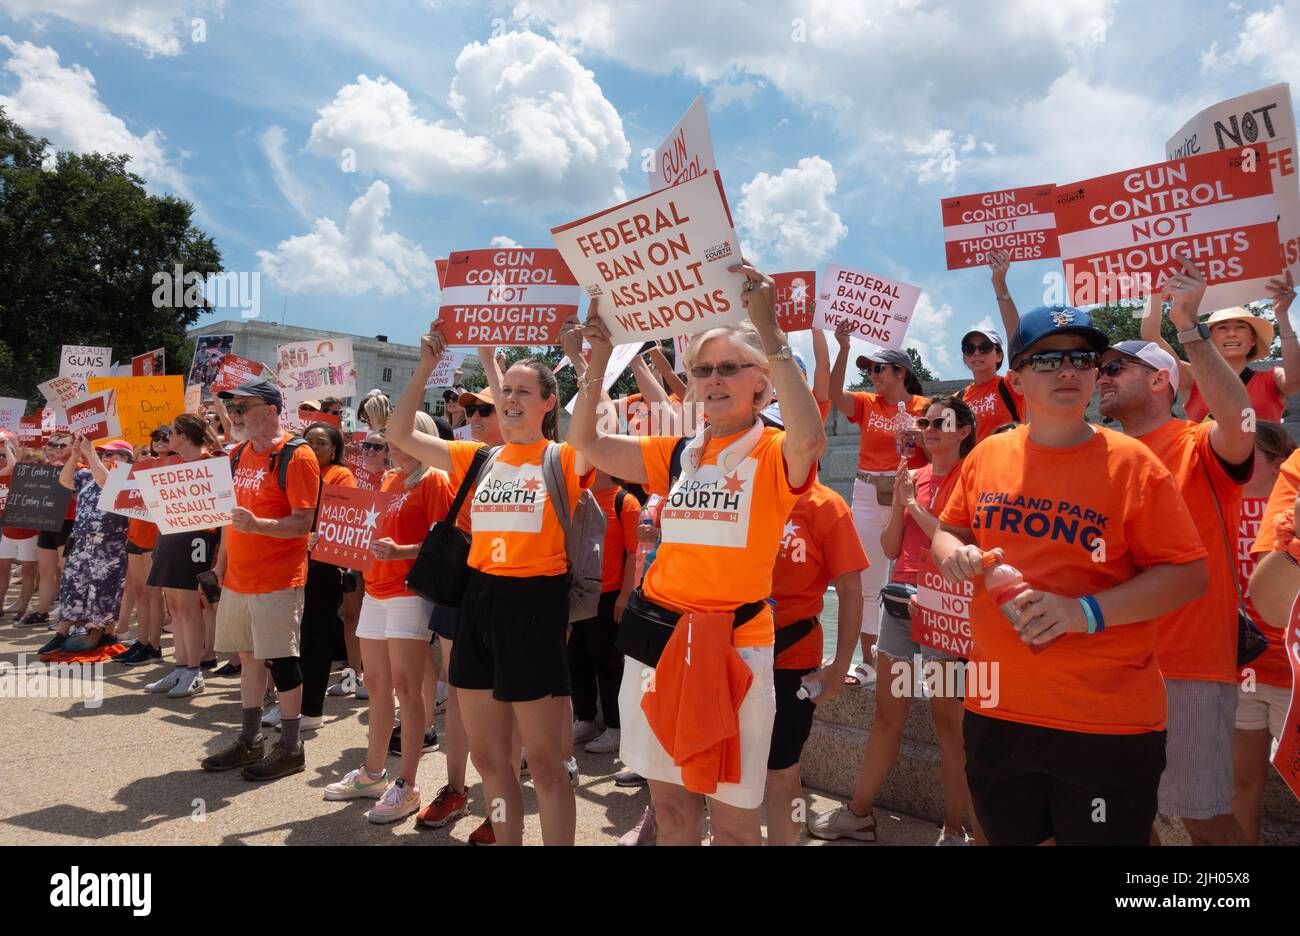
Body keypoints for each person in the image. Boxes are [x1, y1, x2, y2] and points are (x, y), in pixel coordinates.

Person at [567, 260, 827, 846]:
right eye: (703, 369)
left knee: (734, 822)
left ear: (760, 381)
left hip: (734, 645)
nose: (713, 379)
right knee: (673, 808)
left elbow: (812, 438)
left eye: (729, 368)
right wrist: (596, 364)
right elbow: (586, 442)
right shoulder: (679, 450)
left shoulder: (775, 450)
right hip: (659, 638)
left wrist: (769, 326)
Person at [931, 303, 1209, 846]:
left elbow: (1187, 576)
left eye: (1084, 359)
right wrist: (951, 555)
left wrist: (1084, 613)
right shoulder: (987, 454)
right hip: (996, 709)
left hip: (1104, 721)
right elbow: (950, 530)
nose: (1069, 370)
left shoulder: (1134, 464)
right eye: (1048, 359)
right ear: (1016, 379)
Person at [387, 332, 593, 847]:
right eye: (507, 391)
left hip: (534, 606)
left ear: (549, 403)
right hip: (478, 602)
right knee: (487, 760)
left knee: (543, 764)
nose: (510, 399)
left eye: (525, 392)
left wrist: (589, 360)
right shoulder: (479, 458)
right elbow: (400, 432)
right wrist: (425, 364)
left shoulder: (564, 459)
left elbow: (596, 428)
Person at [1096, 262, 1255, 846]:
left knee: (1206, 822)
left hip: (1186, 666)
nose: (1101, 377)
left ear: (1161, 380)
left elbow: (1240, 422)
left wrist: (1189, 328)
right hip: (1112, 666)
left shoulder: (1196, 444)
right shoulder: (1098, 456)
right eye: (1099, 369)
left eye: (1116, 367)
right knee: (1127, 820)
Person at [811, 396, 978, 846]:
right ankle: (859, 814)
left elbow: (961, 540)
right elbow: (888, 549)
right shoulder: (915, 477)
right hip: (902, 605)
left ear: (964, 430)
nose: (930, 428)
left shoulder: (974, 477)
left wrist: (913, 504)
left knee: (949, 722)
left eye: (941, 421)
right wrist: (902, 503)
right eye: (924, 422)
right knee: (887, 716)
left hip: (947, 610)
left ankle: (953, 828)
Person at [325, 413, 454, 823]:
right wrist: (332, 542)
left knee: (407, 688)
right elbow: (370, 536)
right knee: (377, 684)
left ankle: (409, 783)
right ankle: (374, 772)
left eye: (399, 436)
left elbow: (445, 541)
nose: (390, 443)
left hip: (407, 594)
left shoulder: (434, 480)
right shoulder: (389, 481)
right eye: (389, 437)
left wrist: (399, 553)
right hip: (378, 591)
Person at [201, 379, 321, 781]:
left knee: (282, 661)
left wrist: (259, 525)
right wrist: (221, 563)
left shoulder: (297, 456)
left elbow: (303, 523)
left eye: (244, 406)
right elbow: (229, 520)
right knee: (249, 660)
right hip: (238, 577)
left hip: (277, 578)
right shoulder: (236, 454)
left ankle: (291, 748)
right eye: (233, 408)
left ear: (270, 409)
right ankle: (250, 739)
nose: (235, 414)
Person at [416, 384, 507, 835]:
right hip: (462, 585)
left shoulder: (542, 459)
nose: (474, 414)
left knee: (504, 701)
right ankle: (455, 789)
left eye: (485, 408)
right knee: (457, 693)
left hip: (510, 590)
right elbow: (400, 436)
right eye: (470, 408)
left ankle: (499, 809)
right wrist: (427, 366)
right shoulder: (467, 457)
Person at [765, 460, 867, 846]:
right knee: (732, 772)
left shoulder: (825, 505)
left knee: (782, 769)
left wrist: (839, 668)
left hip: (791, 656)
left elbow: (851, 590)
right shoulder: (745, 493)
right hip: (733, 650)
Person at [829, 323, 930, 685]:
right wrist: (842, 346)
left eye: (877, 369)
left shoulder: (926, 407)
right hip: (869, 492)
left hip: (912, 493)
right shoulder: (866, 403)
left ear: (900, 372)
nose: (871, 376)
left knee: (920, 579)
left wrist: (921, 437)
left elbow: (946, 448)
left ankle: (919, 657)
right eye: (868, 369)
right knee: (868, 580)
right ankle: (869, 661)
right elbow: (832, 393)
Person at [260, 420, 355, 730]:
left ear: (335, 450)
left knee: (314, 639)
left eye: (321, 443)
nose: (313, 448)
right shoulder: (293, 470)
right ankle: (290, 702)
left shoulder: (340, 475)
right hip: (289, 562)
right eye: (308, 441)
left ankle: (311, 709)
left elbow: (334, 517)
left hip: (323, 568)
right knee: (290, 638)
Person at [1231, 422, 1295, 843]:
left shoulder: (1289, 508)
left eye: (1248, 452)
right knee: (1242, 784)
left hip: (1294, 674)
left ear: (1278, 460)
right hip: (1244, 670)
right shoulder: (1220, 502)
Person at [1140, 271, 1299, 422]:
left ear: (1253, 340)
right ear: (1209, 339)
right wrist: (1155, 288)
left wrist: (1282, 315)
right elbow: (1151, 335)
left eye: (1241, 327)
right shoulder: (1193, 378)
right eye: (1222, 327)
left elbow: (1295, 380)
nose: (1231, 333)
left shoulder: (1272, 379)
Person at [142, 414, 225, 698]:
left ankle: (194, 670)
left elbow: (222, 511)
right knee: (174, 606)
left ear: (184, 436)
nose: (168, 437)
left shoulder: (212, 465)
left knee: (189, 607)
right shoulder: (174, 465)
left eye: (173, 433)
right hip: (170, 536)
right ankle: (180, 665)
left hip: (197, 539)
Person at [567, 470, 641, 755]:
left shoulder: (626, 501)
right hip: (580, 592)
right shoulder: (579, 497)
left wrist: (625, 594)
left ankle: (616, 726)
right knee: (577, 658)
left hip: (610, 595)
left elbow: (635, 552)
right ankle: (586, 718)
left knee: (609, 662)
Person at [38, 437, 133, 655]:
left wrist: (89, 454)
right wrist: (74, 454)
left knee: (104, 590)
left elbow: (106, 483)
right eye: (104, 454)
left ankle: (105, 632)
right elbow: (64, 480)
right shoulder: (87, 475)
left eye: (111, 454)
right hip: (81, 542)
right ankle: (61, 633)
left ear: (126, 458)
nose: (105, 457)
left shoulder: (128, 477)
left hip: (109, 546)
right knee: (73, 587)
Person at [116, 427, 172, 666]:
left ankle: (154, 646)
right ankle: (142, 641)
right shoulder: (142, 465)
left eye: (164, 438)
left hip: (155, 537)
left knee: (154, 595)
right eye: (155, 439)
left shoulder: (176, 464)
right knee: (139, 592)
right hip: (136, 535)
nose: (159, 442)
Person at [17, 433, 77, 629]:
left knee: (67, 569)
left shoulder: (81, 468)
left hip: (68, 522)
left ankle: (69, 615)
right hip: (47, 521)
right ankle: (42, 611)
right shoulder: (45, 468)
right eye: (53, 445)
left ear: (72, 447)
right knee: (45, 570)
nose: (57, 449)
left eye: (62, 446)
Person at [956, 328, 1024, 443]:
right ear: (964, 357)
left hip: (1007, 459)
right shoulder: (957, 398)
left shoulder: (1011, 385)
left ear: (999, 356)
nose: (976, 353)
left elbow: (1017, 339)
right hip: (971, 461)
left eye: (985, 348)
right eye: (969, 349)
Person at [0, 433, 39, 623]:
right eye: (26, 462)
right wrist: (7, 445)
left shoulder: (44, 482)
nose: (28, 466)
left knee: (27, 573)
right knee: (2, 568)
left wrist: (8, 444)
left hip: (30, 533)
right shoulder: (13, 472)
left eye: (34, 463)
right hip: (8, 531)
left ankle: (23, 610)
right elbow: (13, 465)